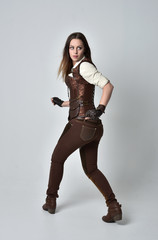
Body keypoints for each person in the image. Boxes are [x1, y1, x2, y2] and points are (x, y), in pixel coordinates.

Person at [42, 32, 122, 223]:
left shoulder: (84, 66)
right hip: (92, 128)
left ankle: (50, 200)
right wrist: (62, 103)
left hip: (82, 124)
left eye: (79, 47)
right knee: (92, 169)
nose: (75, 51)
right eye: (72, 47)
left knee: (57, 158)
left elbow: (108, 86)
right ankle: (114, 207)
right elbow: (80, 99)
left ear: (84, 49)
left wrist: (100, 109)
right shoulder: (78, 68)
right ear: (67, 50)